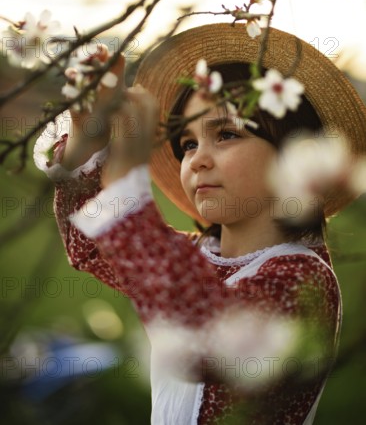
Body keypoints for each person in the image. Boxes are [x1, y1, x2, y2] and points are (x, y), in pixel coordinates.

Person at [34, 23, 366, 424]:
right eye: (188, 143)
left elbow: (205, 332)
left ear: (291, 151)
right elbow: (90, 247)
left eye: (225, 134)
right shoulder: (195, 258)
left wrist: (126, 177)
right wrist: (88, 138)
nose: (197, 160)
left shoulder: (301, 278)